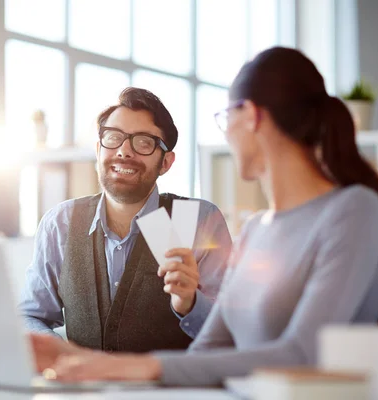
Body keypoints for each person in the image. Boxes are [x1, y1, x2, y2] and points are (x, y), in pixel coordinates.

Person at [29, 47, 378, 386]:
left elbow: (301, 352)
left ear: (251, 117)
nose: (226, 132)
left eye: (225, 116)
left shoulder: (353, 210)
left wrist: (133, 366)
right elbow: (209, 352)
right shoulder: (256, 232)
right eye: (114, 138)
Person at [19, 87, 233, 353]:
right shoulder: (60, 223)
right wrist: (61, 352)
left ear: (166, 162)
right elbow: (30, 316)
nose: (123, 151)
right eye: (113, 137)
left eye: (143, 142)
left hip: (168, 390)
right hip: (84, 391)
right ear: (98, 150)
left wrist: (191, 303)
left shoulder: (197, 220)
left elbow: (232, 332)